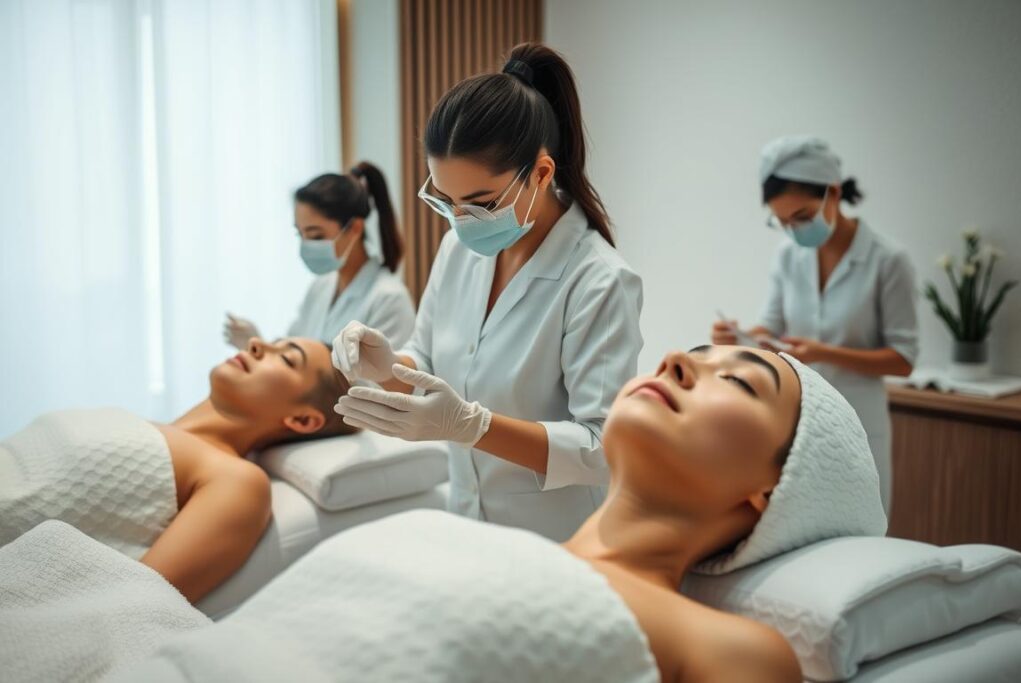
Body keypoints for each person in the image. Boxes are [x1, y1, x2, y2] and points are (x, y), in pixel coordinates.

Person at [104, 345, 885, 683]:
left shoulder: (727, 645)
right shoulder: (471, 543)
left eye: (739, 384)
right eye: (693, 354)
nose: (678, 360)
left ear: (770, 492)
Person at [331, 43, 644, 541]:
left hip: (560, 541)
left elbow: (601, 446)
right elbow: (428, 363)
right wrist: (386, 366)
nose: (459, 220)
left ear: (541, 174)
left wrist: (471, 427)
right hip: (468, 526)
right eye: (446, 200)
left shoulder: (599, 280)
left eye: (479, 202)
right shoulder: (458, 249)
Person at [0, 336, 355, 603]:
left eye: (288, 358)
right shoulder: (139, 424)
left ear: (304, 419)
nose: (257, 343)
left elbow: (134, 601)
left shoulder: (235, 479)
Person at [711, 135, 917, 511]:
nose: (794, 230)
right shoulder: (789, 255)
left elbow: (903, 359)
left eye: (802, 217)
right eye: (783, 222)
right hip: (799, 422)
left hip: (860, 425)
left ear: (833, 194)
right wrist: (738, 338)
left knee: (860, 536)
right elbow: (770, 328)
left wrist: (825, 353)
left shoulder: (889, 260)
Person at [224, 161, 415, 348]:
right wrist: (258, 346)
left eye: (316, 235)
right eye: (301, 234)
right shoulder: (321, 287)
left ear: (355, 228)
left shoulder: (389, 299)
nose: (306, 245)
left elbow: (383, 378)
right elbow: (292, 355)